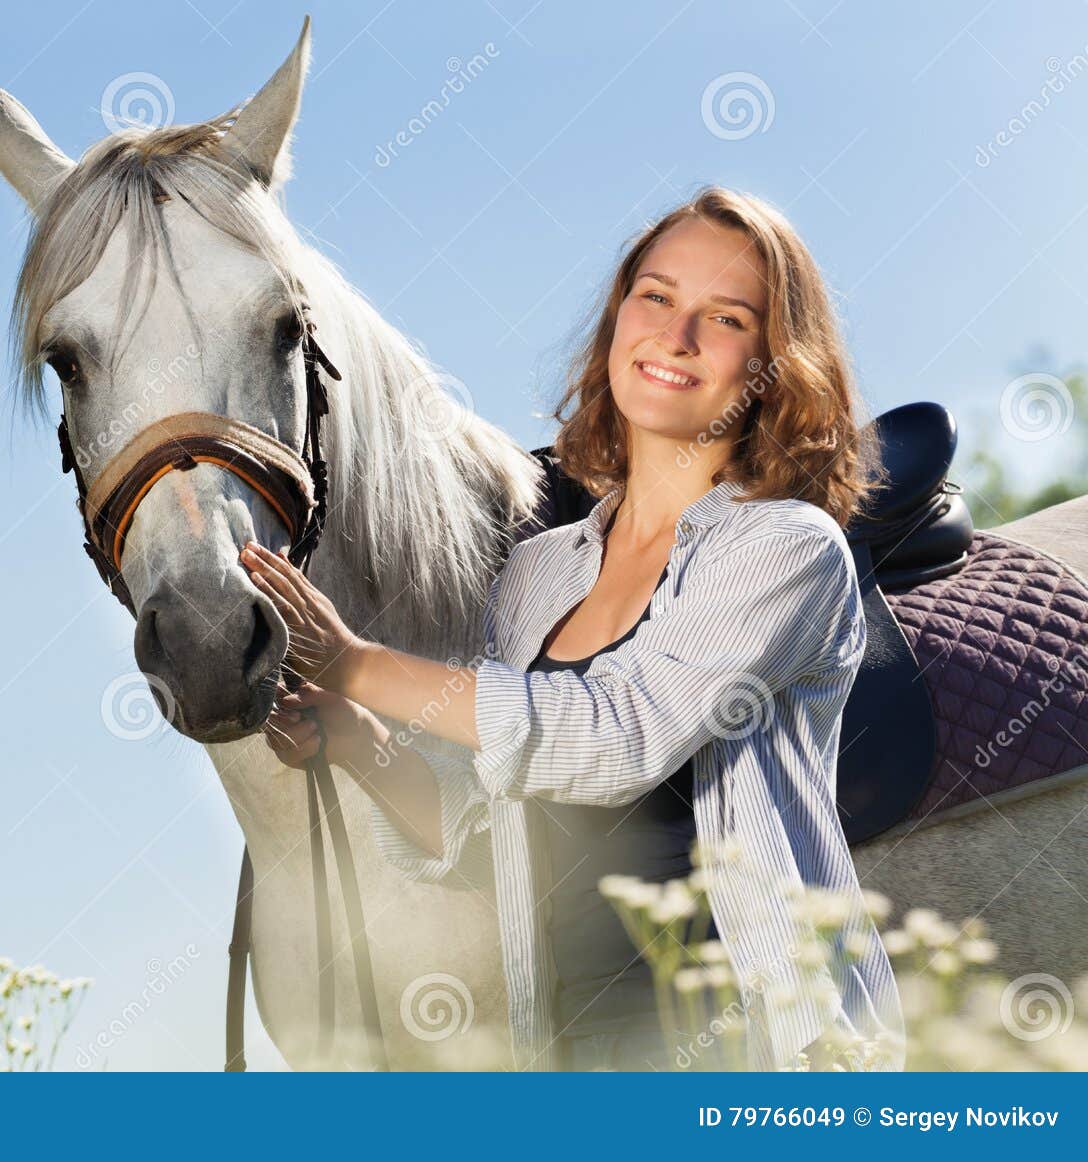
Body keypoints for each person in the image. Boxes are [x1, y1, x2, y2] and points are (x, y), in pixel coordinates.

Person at [240, 187, 904, 1071]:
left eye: (727, 317)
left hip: (757, 1047)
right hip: (569, 1050)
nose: (676, 336)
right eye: (657, 297)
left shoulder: (785, 549)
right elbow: (493, 827)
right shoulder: (537, 571)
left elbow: (620, 738)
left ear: (774, 367)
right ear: (620, 317)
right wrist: (362, 742)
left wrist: (360, 666)